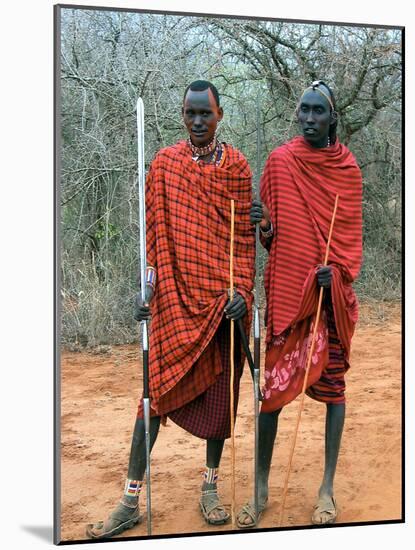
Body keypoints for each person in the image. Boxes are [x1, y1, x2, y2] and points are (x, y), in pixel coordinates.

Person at [86, 80, 255, 539]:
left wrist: (241, 290)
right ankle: (129, 500)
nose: (197, 122)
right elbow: (152, 243)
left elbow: (242, 241)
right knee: (151, 400)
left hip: (221, 303)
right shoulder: (164, 165)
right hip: (173, 303)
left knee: (221, 400)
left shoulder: (237, 167)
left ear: (220, 115)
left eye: (206, 114)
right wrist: (146, 292)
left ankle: (210, 487)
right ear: (182, 115)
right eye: (190, 114)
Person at [236, 80, 362, 528]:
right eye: (303, 111)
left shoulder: (347, 169)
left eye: (318, 112)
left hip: (329, 299)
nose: (309, 119)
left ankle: (326, 488)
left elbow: (349, 240)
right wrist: (263, 223)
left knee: (333, 391)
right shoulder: (279, 162)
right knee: (270, 393)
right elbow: (270, 237)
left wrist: (339, 272)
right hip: (290, 295)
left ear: (331, 118)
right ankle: (262, 486)